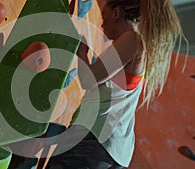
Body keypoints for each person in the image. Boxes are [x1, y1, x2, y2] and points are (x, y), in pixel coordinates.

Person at [46, 0, 186, 168]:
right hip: (109, 149)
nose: (102, 23)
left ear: (116, 13)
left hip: (98, 143)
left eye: (104, 16)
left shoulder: (131, 40)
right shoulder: (131, 44)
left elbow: (89, 79)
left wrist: (81, 52)